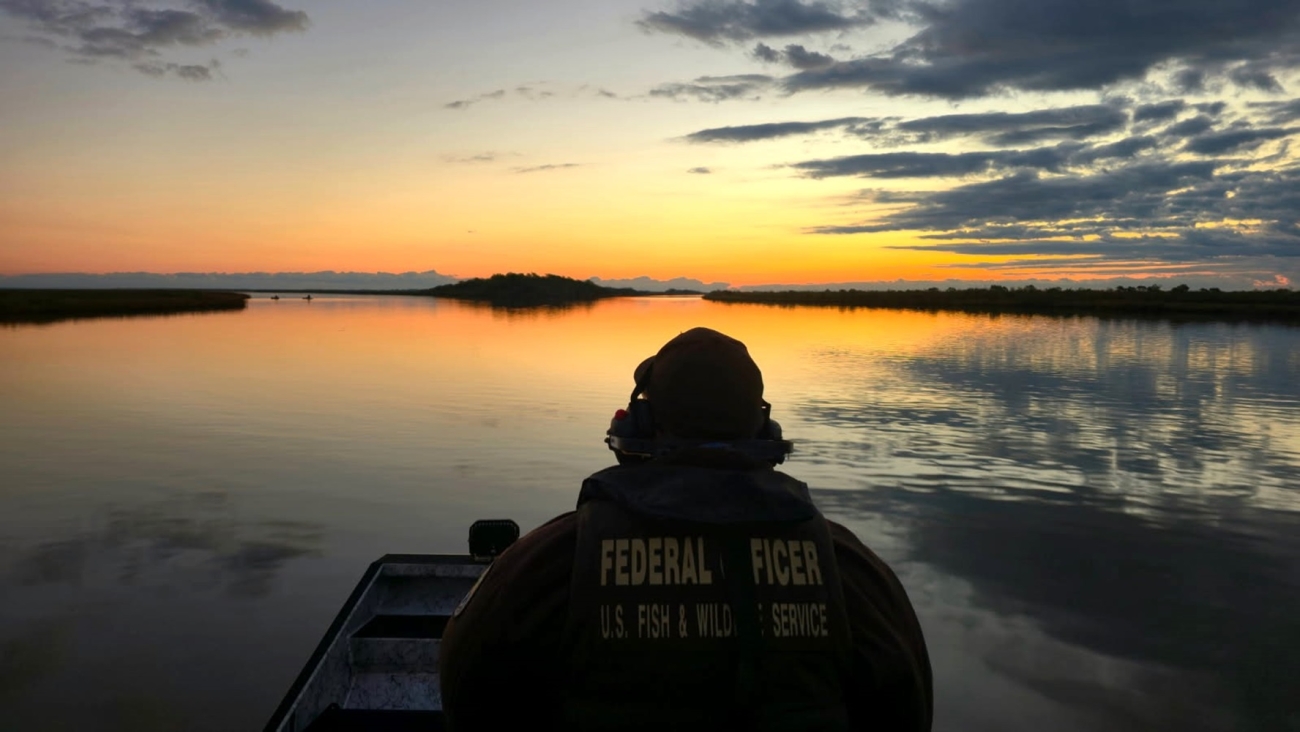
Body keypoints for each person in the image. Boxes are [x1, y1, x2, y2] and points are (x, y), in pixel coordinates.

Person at [439, 327, 932, 731]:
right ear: (764, 433)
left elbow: (467, 692)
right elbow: (908, 709)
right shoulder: (849, 567)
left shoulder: (554, 559)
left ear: (637, 426)